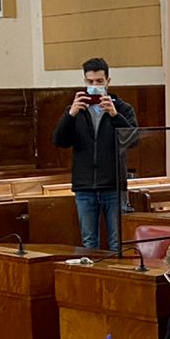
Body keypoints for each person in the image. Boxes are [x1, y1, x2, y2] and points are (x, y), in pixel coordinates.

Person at [52, 56, 138, 252]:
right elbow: (59, 141)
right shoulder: (76, 110)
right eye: (90, 82)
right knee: (89, 243)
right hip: (85, 187)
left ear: (108, 81)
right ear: (84, 81)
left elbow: (133, 140)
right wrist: (70, 115)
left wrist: (115, 115)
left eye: (99, 81)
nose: (95, 86)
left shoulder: (122, 109)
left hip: (113, 185)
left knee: (118, 242)